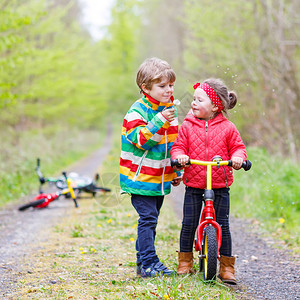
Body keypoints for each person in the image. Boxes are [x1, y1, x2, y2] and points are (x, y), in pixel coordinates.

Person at [171, 78, 247, 284]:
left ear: (215, 106)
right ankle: (185, 262)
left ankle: (227, 267)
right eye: (193, 99)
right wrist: (179, 157)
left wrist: (238, 158)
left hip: (219, 184)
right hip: (194, 184)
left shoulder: (228, 127)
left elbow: (238, 148)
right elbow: (178, 147)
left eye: (199, 100)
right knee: (188, 224)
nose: (193, 103)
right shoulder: (187, 125)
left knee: (223, 225)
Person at [120, 57, 181, 277]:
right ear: (145, 87)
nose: (168, 90)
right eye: (162, 86)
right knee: (148, 219)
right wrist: (160, 119)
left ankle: (142, 263)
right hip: (140, 178)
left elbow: (173, 143)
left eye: (171, 85)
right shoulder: (136, 112)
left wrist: (176, 170)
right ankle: (148, 263)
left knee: (152, 219)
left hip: (159, 177)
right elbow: (142, 140)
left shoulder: (168, 109)